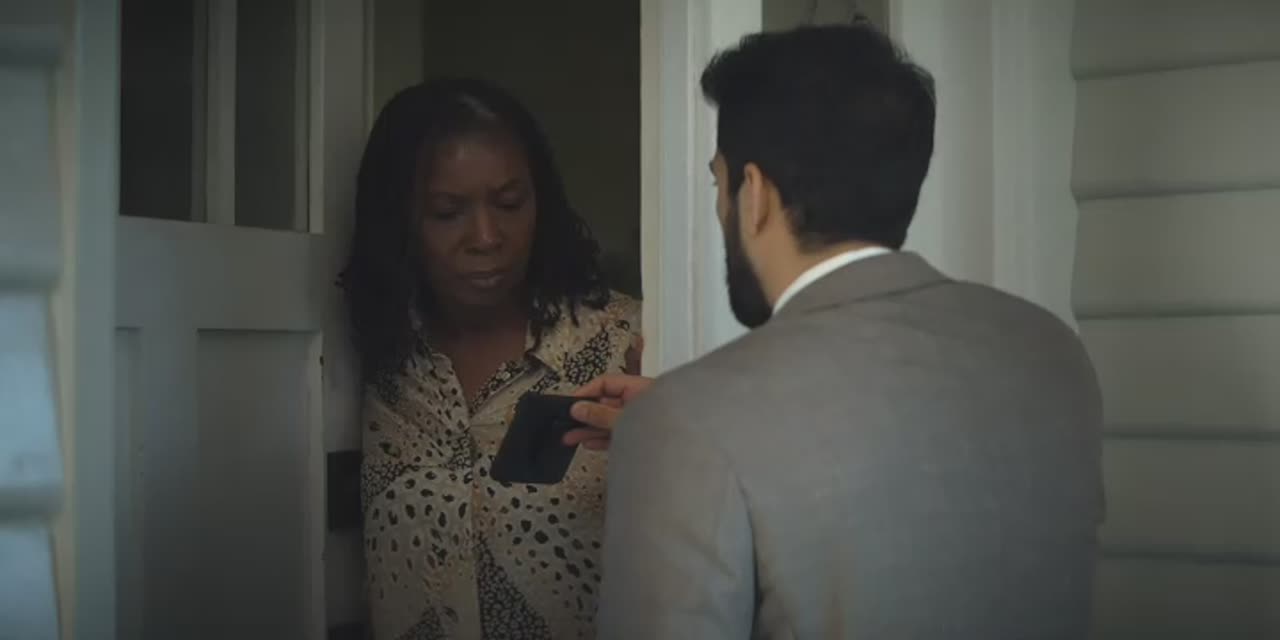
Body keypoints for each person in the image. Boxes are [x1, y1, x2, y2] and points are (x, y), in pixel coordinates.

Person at [566, 24, 1104, 639]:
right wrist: (694, 443)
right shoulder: (1049, 349)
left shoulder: (691, 423)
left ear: (753, 194)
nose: (720, 205)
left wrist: (684, 435)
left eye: (719, 182)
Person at [339, 77, 642, 639]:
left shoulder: (630, 345)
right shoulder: (375, 354)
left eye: (509, 203)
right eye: (446, 212)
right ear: (399, 219)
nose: (485, 236)